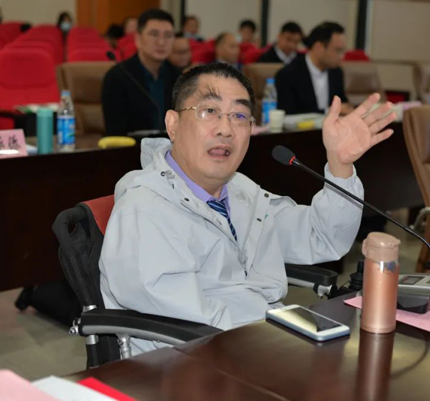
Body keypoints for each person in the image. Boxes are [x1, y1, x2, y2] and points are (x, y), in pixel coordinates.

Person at [99, 62, 396, 354]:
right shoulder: (145, 209)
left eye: (239, 116)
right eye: (209, 111)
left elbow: (321, 236)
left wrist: (340, 165)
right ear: (173, 124)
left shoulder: (240, 191)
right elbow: (190, 319)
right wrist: (279, 341)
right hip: (191, 364)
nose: (226, 129)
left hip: (260, 341)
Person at [101, 9, 179, 136]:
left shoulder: (179, 77)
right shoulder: (118, 77)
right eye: (154, 34)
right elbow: (115, 132)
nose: (161, 42)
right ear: (138, 39)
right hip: (131, 147)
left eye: (168, 35)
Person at [276, 22, 353, 115]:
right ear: (319, 47)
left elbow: (343, 103)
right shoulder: (288, 74)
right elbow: (288, 114)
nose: (342, 56)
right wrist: (327, 111)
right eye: (338, 50)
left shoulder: (336, 72)